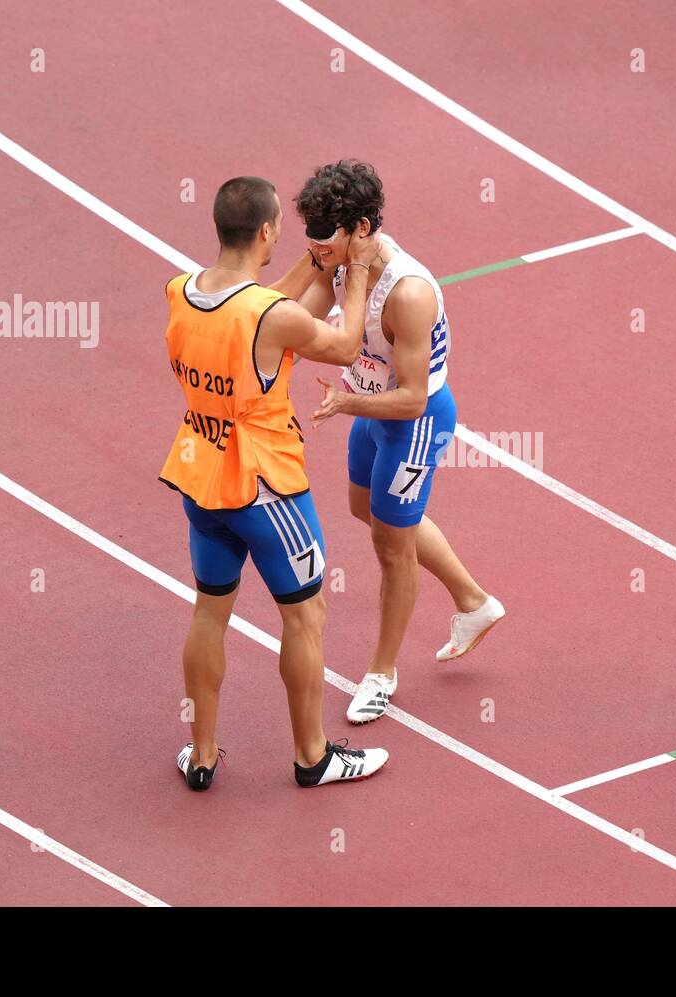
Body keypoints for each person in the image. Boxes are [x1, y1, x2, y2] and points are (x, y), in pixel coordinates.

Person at [159, 175, 389, 789]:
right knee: (306, 617)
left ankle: (202, 754)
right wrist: (357, 271)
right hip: (265, 487)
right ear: (265, 230)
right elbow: (343, 347)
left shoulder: (182, 290)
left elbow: (267, 303)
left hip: (200, 476)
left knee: (210, 613)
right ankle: (312, 756)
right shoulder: (268, 315)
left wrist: (313, 258)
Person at [288, 160, 505, 725]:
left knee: (391, 545)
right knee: (367, 510)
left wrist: (346, 402)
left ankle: (381, 675)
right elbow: (298, 322)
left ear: (361, 228)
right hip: (368, 405)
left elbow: (410, 398)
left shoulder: (407, 294)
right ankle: (475, 602)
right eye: (307, 234)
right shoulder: (338, 257)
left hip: (412, 419)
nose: (314, 247)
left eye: (323, 235)